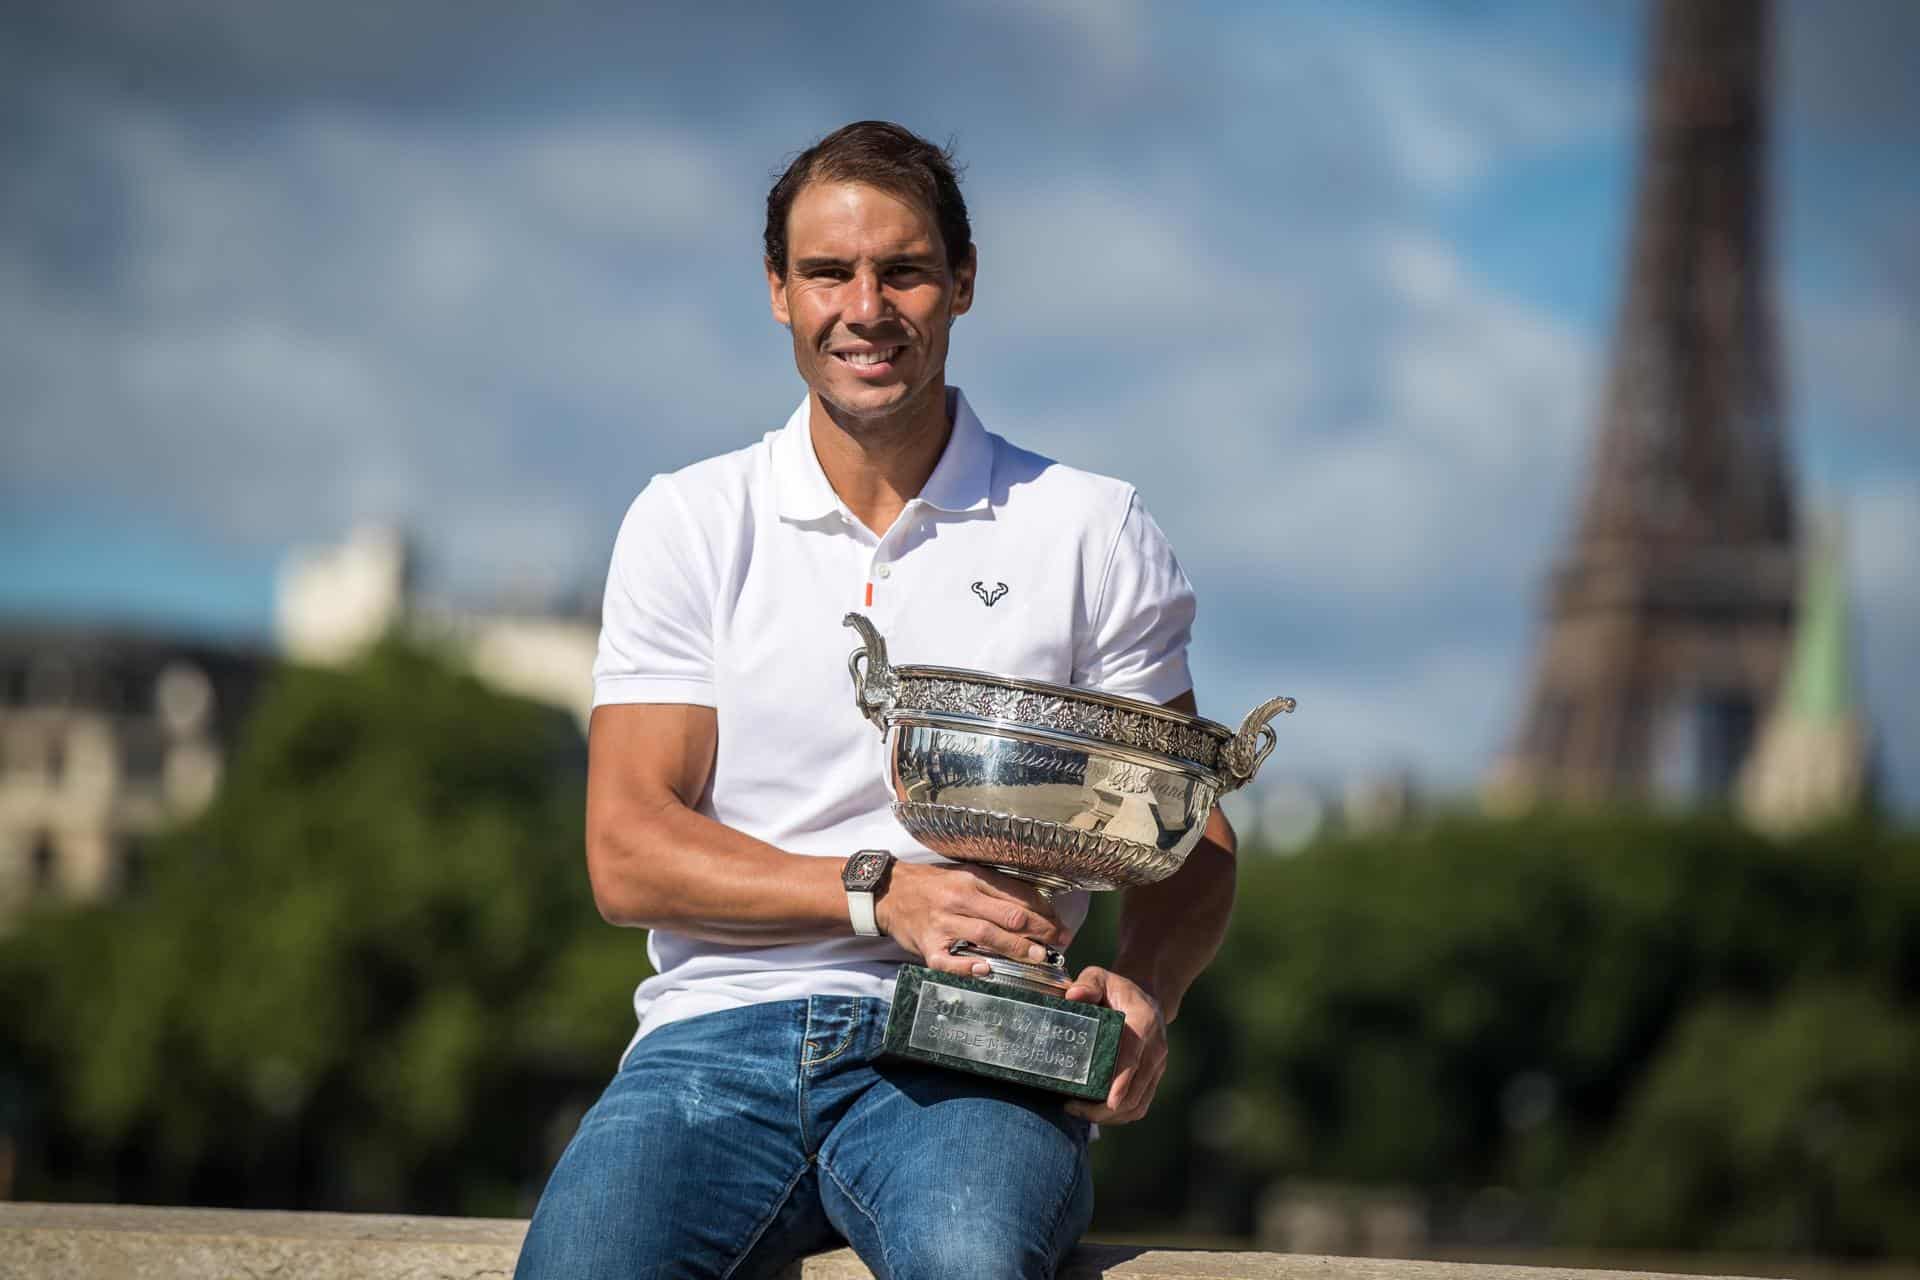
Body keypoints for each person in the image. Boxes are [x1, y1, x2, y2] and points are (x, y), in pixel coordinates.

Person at [514, 120, 1237, 1280]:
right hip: (710, 1042)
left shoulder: (1092, 527)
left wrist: (1146, 991)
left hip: (983, 1051)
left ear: (961, 282)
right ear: (776, 291)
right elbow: (626, 849)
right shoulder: (691, 520)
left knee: (969, 1263)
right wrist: (877, 891)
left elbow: (1190, 833)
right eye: (827, 272)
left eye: (901, 269)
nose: (866, 307)